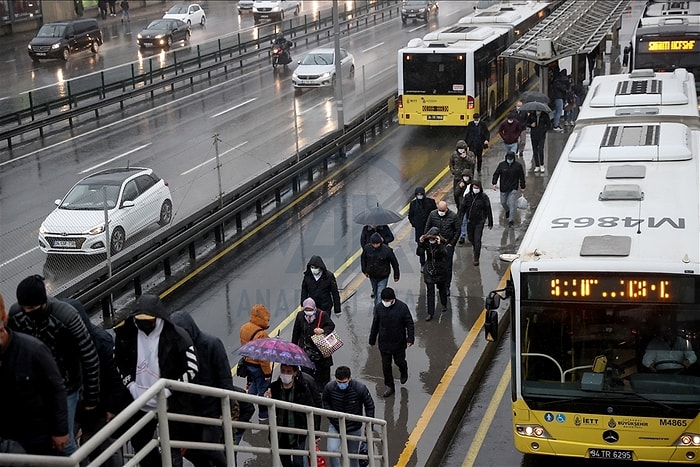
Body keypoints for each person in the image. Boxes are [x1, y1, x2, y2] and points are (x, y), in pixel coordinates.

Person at [8, 275, 100, 456]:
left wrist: (91, 397)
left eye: (32, 308)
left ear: (42, 303)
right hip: (32, 388)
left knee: (64, 443)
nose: (27, 312)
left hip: (66, 387)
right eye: (24, 308)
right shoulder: (16, 315)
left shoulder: (67, 317)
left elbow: (89, 356)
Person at [113, 294, 198, 467]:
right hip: (139, 401)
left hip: (170, 403)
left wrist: (169, 388)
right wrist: (130, 384)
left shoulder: (177, 336)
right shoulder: (126, 334)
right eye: (139, 320)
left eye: (148, 320)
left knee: (172, 446)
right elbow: (118, 361)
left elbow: (192, 368)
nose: (143, 324)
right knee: (140, 445)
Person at [0, 293, 69, 456]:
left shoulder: (33, 350)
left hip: (39, 434)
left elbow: (56, 389)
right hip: (8, 435)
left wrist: (60, 431)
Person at [64, 298, 126, 467]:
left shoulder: (102, 341)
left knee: (106, 446)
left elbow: (114, 376)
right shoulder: (64, 343)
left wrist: (112, 407)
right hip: (78, 405)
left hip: (99, 405)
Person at [171, 311, 237, 467]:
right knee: (194, 452)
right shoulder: (178, 350)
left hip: (212, 410)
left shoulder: (212, 344)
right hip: (190, 412)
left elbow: (225, 379)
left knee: (210, 449)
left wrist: (225, 409)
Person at [265, 364, 319, 467]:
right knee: (285, 462)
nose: (285, 374)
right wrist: (266, 399)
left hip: (298, 433)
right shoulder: (273, 388)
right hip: (280, 433)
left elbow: (311, 409)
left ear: (295, 373)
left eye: (288, 372)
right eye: (283, 371)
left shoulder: (302, 389)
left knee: (298, 462)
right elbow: (263, 409)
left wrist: (315, 432)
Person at [322, 366, 375, 467]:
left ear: (350, 378)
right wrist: (332, 416)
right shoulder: (330, 388)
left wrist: (369, 427)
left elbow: (370, 406)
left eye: (344, 382)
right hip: (336, 425)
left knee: (353, 456)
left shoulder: (360, 388)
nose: (342, 384)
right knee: (332, 451)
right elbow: (325, 401)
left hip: (354, 427)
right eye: (339, 382)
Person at [369, 288, 414, 397]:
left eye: (388, 300)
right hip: (384, 343)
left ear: (393, 299)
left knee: (399, 361)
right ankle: (389, 386)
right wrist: (372, 339)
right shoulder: (379, 308)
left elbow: (409, 323)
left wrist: (410, 338)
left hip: (398, 342)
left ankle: (404, 370)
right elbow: (375, 324)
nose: (386, 302)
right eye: (384, 300)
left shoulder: (402, 307)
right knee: (386, 366)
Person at [292, 297, 336, 393]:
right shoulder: (300, 316)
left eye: (310, 310)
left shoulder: (322, 315)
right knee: (307, 377)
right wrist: (293, 349)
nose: (308, 312)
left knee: (322, 379)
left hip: (321, 352)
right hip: (306, 352)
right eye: (306, 310)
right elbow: (296, 333)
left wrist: (322, 330)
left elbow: (331, 326)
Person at [239, 303, 273, 421]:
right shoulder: (261, 334)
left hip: (248, 364)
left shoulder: (244, 328)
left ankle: (246, 405)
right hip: (259, 367)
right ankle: (263, 416)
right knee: (263, 390)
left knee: (253, 384)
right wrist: (267, 374)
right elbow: (263, 358)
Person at [424, 201, 460, 296]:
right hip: (434, 245)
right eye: (439, 210)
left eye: (442, 210)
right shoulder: (432, 214)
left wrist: (451, 243)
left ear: (446, 209)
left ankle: (446, 286)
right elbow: (427, 227)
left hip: (447, 245)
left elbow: (457, 231)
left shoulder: (453, 216)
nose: (441, 212)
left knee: (447, 266)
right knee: (433, 263)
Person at [458, 180, 493, 266]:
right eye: (474, 187)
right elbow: (462, 209)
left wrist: (490, 221)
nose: (475, 189)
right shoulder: (467, 197)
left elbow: (488, 209)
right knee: (471, 238)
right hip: (470, 221)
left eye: (477, 188)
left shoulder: (484, 197)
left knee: (477, 240)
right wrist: (459, 219)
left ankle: (476, 258)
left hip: (479, 222)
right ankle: (475, 247)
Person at [417, 227, 448, 321]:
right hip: (429, 268)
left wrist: (439, 245)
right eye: (430, 238)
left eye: (433, 239)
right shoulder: (426, 243)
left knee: (442, 288)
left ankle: (444, 303)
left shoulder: (441, 243)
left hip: (440, 269)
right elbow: (419, 253)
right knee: (430, 291)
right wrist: (421, 243)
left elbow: (444, 254)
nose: (431, 240)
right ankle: (430, 313)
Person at [360, 232, 400, 305]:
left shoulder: (387, 250)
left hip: (383, 276)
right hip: (372, 275)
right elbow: (363, 259)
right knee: (375, 291)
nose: (375, 245)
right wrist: (364, 270)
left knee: (379, 294)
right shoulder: (367, 248)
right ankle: (378, 306)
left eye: (377, 243)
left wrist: (396, 275)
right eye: (374, 244)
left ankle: (378, 309)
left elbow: (394, 263)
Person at [492, 151, 526, 227]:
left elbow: (521, 176)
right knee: (503, 202)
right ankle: (507, 210)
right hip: (503, 188)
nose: (509, 160)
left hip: (513, 188)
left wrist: (522, 186)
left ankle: (511, 220)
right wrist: (494, 183)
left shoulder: (518, 166)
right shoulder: (501, 165)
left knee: (512, 203)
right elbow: (496, 174)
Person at [408, 186, 437, 272]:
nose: (419, 196)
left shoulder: (431, 202)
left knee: (430, 247)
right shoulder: (413, 204)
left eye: (421, 194)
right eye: (418, 194)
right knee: (421, 248)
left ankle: (430, 263)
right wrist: (415, 224)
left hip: (429, 229)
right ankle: (422, 264)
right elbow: (410, 216)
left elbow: (435, 214)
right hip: (419, 230)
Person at [449, 139, 475, 206]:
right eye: (459, 149)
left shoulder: (470, 154)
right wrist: (453, 171)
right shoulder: (454, 155)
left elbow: (473, 163)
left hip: (467, 179)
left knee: (467, 194)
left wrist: (466, 157)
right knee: (456, 194)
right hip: (457, 177)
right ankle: (459, 207)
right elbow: (451, 163)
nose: (461, 150)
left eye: (462, 149)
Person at [456, 169, 473, 244]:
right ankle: (462, 236)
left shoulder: (473, 184)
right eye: (464, 176)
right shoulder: (460, 183)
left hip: (471, 206)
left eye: (467, 176)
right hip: (463, 206)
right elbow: (456, 194)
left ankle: (471, 235)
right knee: (463, 221)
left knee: (471, 221)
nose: (465, 178)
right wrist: (460, 188)